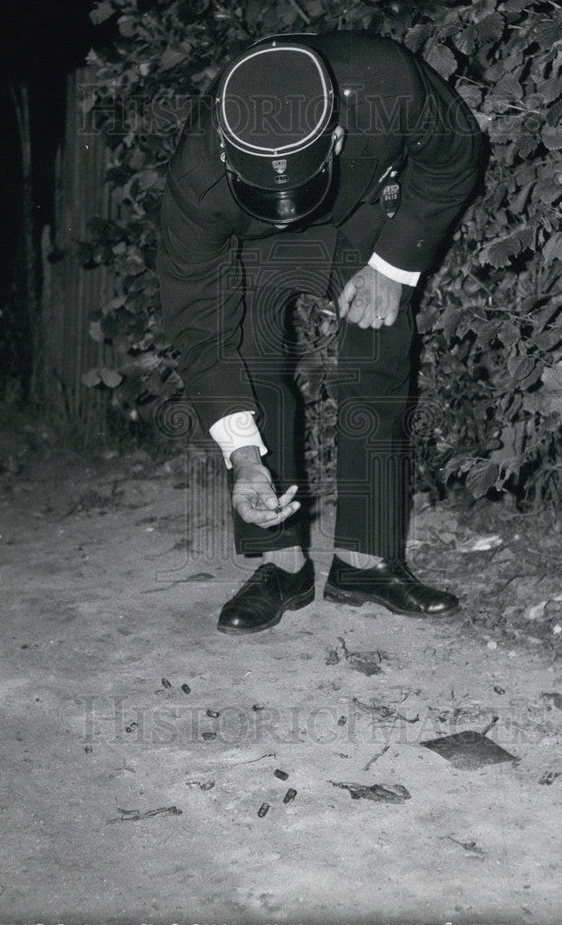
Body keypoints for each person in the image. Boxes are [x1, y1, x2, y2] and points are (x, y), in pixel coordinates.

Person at [156, 31, 483, 634]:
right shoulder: (197, 182)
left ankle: (365, 561)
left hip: (357, 205)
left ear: (336, 135)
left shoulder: (390, 84)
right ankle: (279, 563)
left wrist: (391, 267)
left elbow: (454, 154)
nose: (293, 214)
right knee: (250, 358)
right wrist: (244, 456)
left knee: (380, 349)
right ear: (226, 156)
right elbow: (201, 328)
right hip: (246, 235)